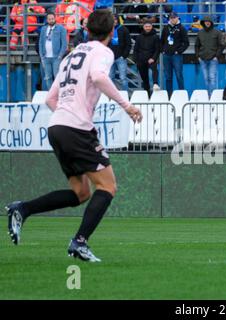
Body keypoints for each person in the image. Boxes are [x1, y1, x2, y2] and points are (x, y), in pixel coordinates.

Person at [5, 9, 143, 262]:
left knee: (81, 193)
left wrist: (69, 117)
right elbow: (99, 77)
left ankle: (22, 209)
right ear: (112, 33)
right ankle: (79, 242)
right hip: (75, 129)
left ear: (87, 30)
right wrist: (127, 106)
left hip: (57, 127)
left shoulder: (71, 55)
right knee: (108, 186)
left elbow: (50, 98)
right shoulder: (103, 52)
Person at [161, 12, 189, 97]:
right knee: (168, 77)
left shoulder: (182, 28)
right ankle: (169, 95)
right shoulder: (166, 28)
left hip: (176, 56)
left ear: (177, 18)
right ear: (169, 19)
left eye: (174, 18)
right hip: (166, 55)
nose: (173, 19)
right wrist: (163, 50)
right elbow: (162, 41)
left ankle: (182, 94)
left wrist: (179, 51)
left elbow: (186, 43)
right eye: (171, 18)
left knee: (179, 75)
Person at [195, 15, 223, 96]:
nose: (207, 23)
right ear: (203, 23)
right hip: (202, 59)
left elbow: (221, 45)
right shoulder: (200, 33)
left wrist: (216, 56)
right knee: (206, 78)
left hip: (213, 60)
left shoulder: (217, 32)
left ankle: (213, 97)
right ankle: (208, 96)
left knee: (212, 78)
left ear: (211, 22)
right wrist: (198, 56)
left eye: (208, 21)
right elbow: (197, 45)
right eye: (205, 22)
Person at [39, 12, 68, 91]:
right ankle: (51, 94)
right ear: (47, 20)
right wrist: (42, 56)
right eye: (49, 19)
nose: (51, 20)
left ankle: (58, 93)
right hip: (46, 57)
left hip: (56, 57)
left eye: (52, 19)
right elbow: (41, 42)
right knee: (48, 77)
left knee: (57, 76)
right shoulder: (43, 29)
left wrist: (60, 56)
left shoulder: (61, 28)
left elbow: (64, 43)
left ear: (55, 18)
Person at [134, 18, 161, 95]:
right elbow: (136, 49)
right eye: (146, 26)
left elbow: (157, 49)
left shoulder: (155, 37)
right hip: (141, 60)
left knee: (154, 71)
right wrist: (136, 60)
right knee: (145, 79)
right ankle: (147, 94)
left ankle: (155, 84)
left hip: (151, 59)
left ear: (152, 26)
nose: (148, 28)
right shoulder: (139, 37)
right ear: (143, 27)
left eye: (149, 26)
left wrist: (153, 58)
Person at [108, 14, 132, 91]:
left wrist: (124, 56)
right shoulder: (107, 30)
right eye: (112, 19)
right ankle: (110, 96)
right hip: (110, 58)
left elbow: (128, 44)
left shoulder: (124, 29)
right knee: (110, 78)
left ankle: (125, 96)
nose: (114, 21)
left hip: (120, 58)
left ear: (117, 20)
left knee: (123, 78)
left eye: (115, 19)